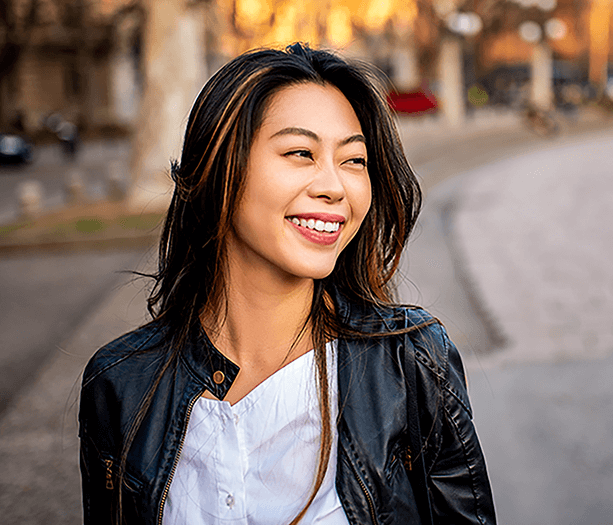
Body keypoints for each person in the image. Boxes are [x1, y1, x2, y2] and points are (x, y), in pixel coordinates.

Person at [79, 43, 496, 525]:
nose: (334, 186)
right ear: (218, 167)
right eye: (301, 152)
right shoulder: (120, 385)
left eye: (354, 160)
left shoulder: (410, 363)